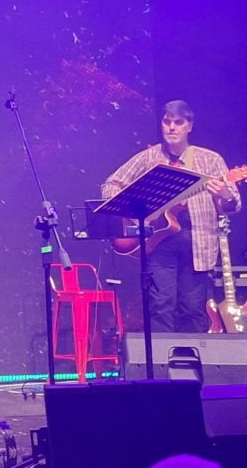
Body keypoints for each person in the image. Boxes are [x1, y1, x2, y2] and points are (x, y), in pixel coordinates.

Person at [101, 100, 240, 333]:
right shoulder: (149, 157)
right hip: (158, 244)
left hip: (199, 244)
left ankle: (192, 356)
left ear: (189, 126)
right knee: (161, 306)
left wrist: (224, 194)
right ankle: (161, 357)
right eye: (167, 122)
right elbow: (110, 184)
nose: (172, 127)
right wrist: (133, 211)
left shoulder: (210, 160)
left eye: (178, 122)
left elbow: (232, 205)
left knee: (193, 309)